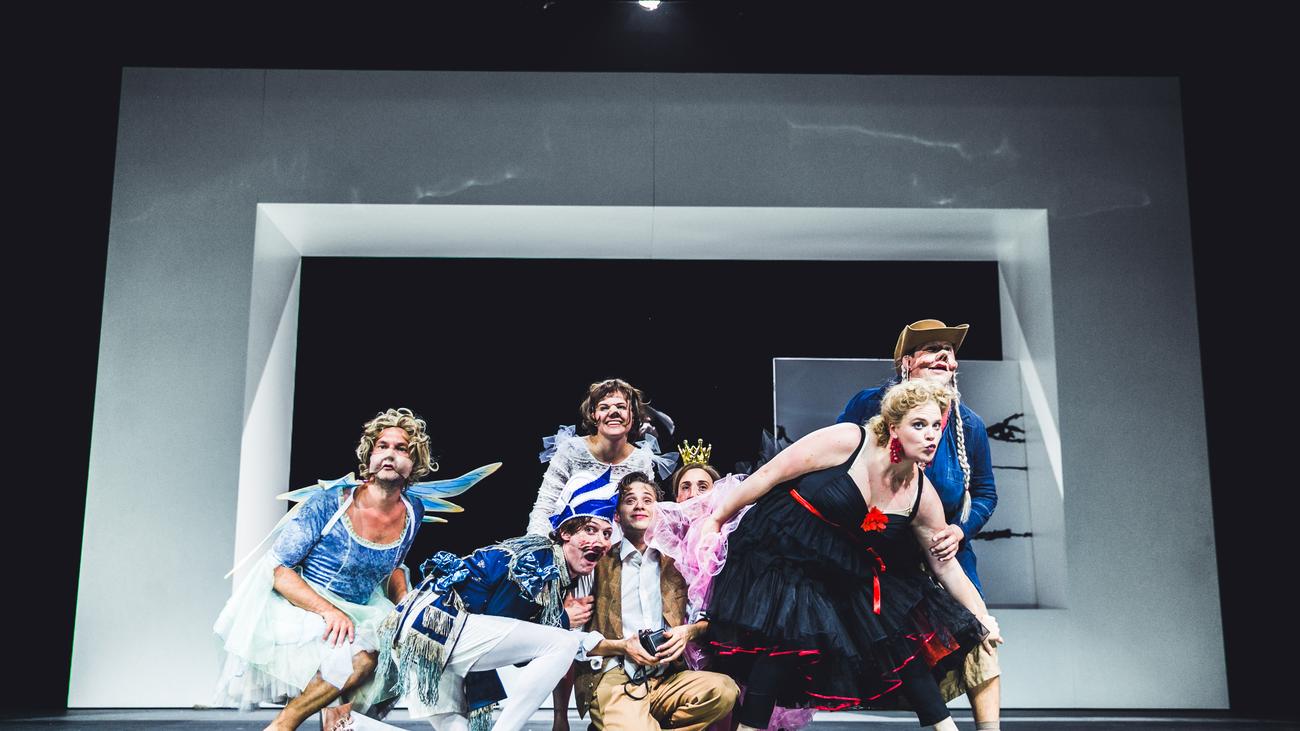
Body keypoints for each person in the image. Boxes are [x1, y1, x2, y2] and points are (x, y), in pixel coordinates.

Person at [701, 380, 1003, 731]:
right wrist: (716, 519)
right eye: (919, 425)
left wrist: (982, 616)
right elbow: (770, 474)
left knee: (898, 636)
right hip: (787, 545)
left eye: (936, 425)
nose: (931, 435)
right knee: (784, 637)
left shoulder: (922, 495)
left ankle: (945, 727)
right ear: (894, 427)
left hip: (843, 566)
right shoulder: (850, 441)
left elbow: (946, 566)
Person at [213, 408, 434, 731]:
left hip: (362, 608)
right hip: (306, 605)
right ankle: (282, 725)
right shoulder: (329, 504)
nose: (390, 454)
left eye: (401, 449)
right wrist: (329, 612)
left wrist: (405, 603)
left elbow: (394, 567)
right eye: (382, 446)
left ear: (414, 462)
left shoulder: (413, 511)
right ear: (369, 456)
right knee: (363, 656)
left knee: (379, 660)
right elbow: (278, 569)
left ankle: (330, 724)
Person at [836, 319, 1002, 727]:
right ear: (907, 362)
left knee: (979, 637)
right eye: (932, 348)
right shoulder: (869, 404)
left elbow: (985, 492)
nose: (945, 356)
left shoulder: (969, 425)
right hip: (883, 553)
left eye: (950, 351)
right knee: (900, 646)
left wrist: (960, 530)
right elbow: (840, 459)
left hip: (944, 551)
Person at [379, 470, 620, 731]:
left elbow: (515, 648)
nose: (600, 541)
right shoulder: (539, 560)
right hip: (437, 626)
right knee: (564, 642)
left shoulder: (554, 571)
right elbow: (501, 620)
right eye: (590, 530)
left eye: (607, 534)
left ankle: (353, 725)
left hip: (421, 638)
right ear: (565, 533)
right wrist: (563, 620)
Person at [572, 472, 739, 730]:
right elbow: (573, 640)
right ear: (617, 515)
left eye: (647, 500)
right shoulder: (598, 562)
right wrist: (621, 647)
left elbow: (705, 618)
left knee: (724, 690)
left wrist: (688, 632)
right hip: (615, 675)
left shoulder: (677, 561)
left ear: (659, 511)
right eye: (630, 500)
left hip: (667, 677)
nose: (639, 505)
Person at [528, 379, 658, 537]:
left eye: (621, 407)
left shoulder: (641, 460)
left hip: (620, 546)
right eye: (604, 407)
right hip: (570, 542)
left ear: (633, 414)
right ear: (593, 415)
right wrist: (538, 545)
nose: (613, 412)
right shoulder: (571, 450)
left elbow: (648, 513)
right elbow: (545, 506)